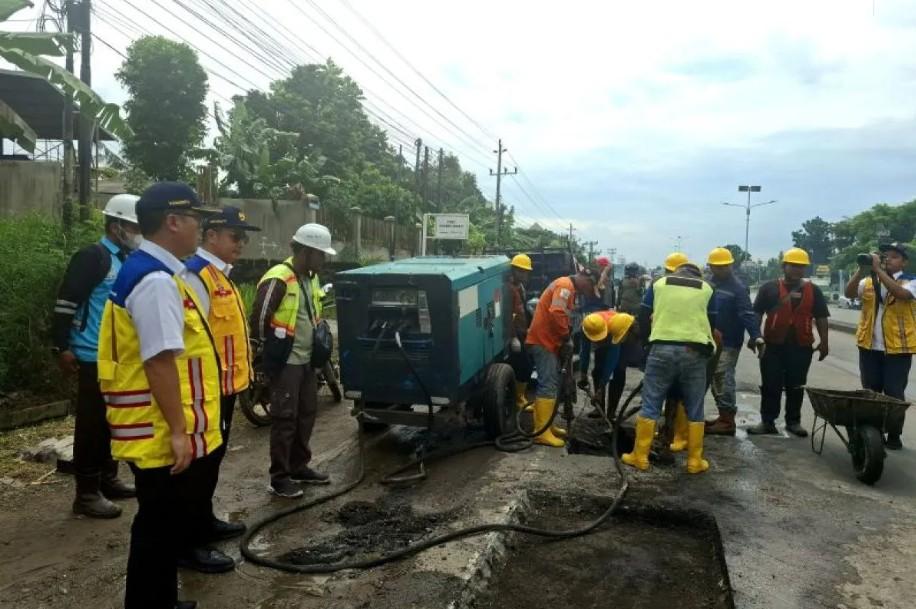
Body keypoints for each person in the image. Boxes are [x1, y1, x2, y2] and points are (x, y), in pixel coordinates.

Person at [97, 182, 228, 609]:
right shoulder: (154, 281)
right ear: (173, 221)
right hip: (156, 427)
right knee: (158, 524)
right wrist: (178, 431)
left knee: (160, 523)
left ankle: (158, 600)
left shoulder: (154, 271)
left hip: (154, 423)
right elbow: (158, 361)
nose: (200, 228)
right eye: (196, 219)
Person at [52, 194, 141, 519]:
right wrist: (60, 346)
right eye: (134, 227)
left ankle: (108, 477)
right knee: (91, 424)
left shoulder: (126, 259)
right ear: (116, 226)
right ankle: (86, 493)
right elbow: (66, 302)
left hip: (116, 354)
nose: (138, 233)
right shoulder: (93, 257)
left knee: (111, 420)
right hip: (91, 353)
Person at [184, 207, 261, 547]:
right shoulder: (197, 277)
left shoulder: (221, 276)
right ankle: (193, 539)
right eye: (235, 236)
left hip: (225, 389)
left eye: (243, 238)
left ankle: (204, 520)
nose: (240, 243)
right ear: (211, 235)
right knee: (200, 465)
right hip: (206, 391)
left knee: (212, 460)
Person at [251, 223, 336, 498]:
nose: (323, 260)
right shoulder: (278, 278)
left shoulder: (310, 278)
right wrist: (262, 359)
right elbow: (260, 319)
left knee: (306, 414)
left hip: (307, 360)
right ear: (306, 252)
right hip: (286, 362)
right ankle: (279, 478)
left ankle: (299, 467)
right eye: (321, 254)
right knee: (285, 419)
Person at [625, 262, 717, 473]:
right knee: (695, 407)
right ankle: (694, 461)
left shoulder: (659, 283)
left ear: (676, 271)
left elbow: (644, 315)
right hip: (694, 350)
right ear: (698, 274)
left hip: (661, 348)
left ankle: (640, 457)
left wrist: (647, 342)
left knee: (651, 403)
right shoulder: (708, 288)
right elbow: (711, 322)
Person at [750, 247, 829, 437]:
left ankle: (793, 421)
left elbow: (821, 317)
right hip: (772, 345)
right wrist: (755, 336)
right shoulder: (768, 288)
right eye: (793, 265)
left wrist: (824, 342)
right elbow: (757, 313)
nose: (797, 269)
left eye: (801, 266)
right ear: (784, 266)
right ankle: (767, 421)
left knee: (796, 385)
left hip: (801, 346)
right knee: (770, 384)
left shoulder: (814, 290)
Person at [845, 242, 915, 449]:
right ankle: (873, 433)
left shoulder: (910, 281)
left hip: (898, 349)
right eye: (885, 256)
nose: (888, 259)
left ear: (904, 262)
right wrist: (862, 270)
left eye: (894, 256)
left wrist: (878, 270)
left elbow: (901, 294)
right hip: (869, 346)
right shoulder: (868, 281)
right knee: (870, 392)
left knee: (894, 394)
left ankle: (894, 434)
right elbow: (849, 293)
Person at [525, 270, 596, 447]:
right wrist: (566, 337)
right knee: (548, 385)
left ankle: (546, 425)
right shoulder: (565, 287)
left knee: (552, 384)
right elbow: (557, 313)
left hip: (549, 342)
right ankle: (541, 432)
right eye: (590, 287)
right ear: (585, 279)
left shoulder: (568, 287)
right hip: (543, 341)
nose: (588, 292)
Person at [704, 247, 764, 436]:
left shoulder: (737, 288)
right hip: (707, 339)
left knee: (722, 376)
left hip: (729, 342)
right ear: (710, 266)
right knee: (711, 378)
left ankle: (727, 420)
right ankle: (723, 416)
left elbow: (747, 313)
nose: (721, 270)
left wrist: (756, 336)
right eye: (717, 266)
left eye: (725, 266)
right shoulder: (707, 284)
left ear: (730, 266)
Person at [579, 310, 637, 418]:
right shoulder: (587, 327)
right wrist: (583, 372)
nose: (597, 342)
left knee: (618, 371)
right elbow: (584, 351)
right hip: (605, 336)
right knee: (597, 371)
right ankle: (599, 408)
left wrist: (601, 386)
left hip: (621, 335)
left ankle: (611, 412)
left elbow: (612, 361)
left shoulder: (615, 328)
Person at [507, 253, 534, 410]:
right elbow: (508, 315)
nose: (524, 274)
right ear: (514, 271)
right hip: (515, 333)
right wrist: (513, 338)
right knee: (525, 366)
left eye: (526, 272)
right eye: (521, 271)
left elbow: (522, 309)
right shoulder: (509, 289)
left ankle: (519, 396)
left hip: (523, 331)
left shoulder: (520, 287)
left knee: (526, 364)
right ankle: (518, 399)